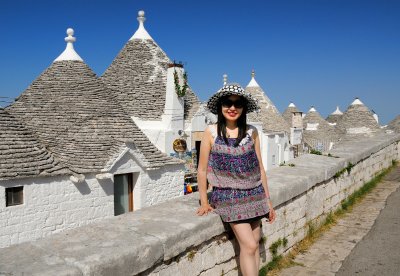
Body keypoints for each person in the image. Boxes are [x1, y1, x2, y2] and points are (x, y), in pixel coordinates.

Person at [196, 84, 276, 276]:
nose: (232, 108)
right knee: (248, 245)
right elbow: (202, 169)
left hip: (254, 193)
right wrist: (204, 202)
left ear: (243, 108)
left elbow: (260, 168)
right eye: (227, 103)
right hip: (228, 196)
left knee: (254, 244)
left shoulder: (252, 132)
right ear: (220, 107)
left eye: (237, 103)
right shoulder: (211, 132)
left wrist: (268, 200)